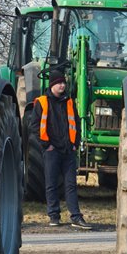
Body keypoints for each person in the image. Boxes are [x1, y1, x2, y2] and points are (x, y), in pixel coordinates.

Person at [32, 72, 92, 229]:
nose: (62, 86)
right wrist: (46, 145)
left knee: (71, 184)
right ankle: (54, 215)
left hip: (68, 150)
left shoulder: (69, 102)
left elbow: (76, 125)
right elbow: (34, 127)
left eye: (63, 83)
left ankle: (76, 217)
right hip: (51, 150)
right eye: (59, 83)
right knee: (51, 184)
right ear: (52, 85)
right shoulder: (42, 102)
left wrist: (75, 144)